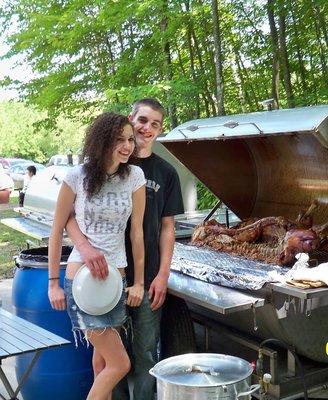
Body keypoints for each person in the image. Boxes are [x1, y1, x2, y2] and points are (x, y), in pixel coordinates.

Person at [66, 99, 184, 400]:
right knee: (109, 359)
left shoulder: (165, 172)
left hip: (146, 280)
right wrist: (84, 248)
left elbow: (167, 228)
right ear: (131, 119)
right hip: (105, 275)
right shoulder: (105, 166)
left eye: (154, 124)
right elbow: (70, 215)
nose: (146, 129)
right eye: (142, 120)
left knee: (146, 353)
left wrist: (162, 275)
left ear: (159, 130)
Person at [48, 112, 146, 400]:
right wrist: (53, 282)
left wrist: (138, 281)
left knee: (102, 361)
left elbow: (136, 233)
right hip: (81, 280)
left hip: (117, 277)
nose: (127, 146)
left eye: (130, 140)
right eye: (119, 140)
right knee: (121, 363)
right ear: (103, 142)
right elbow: (57, 230)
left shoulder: (135, 177)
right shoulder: (76, 176)